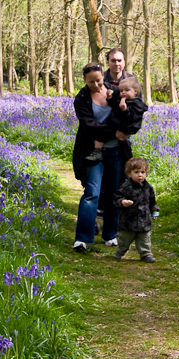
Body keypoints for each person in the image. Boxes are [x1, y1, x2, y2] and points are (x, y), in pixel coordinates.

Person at [72, 62, 133, 252]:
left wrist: (126, 131)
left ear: (103, 77)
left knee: (114, 192)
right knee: (92, 193)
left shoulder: (115, 92)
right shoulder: (81, 99)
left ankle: (110, 235)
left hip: (116, 152)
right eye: (91, 82)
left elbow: (130, 116)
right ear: (84, 81)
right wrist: (115, 132)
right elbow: (89, 125)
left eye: (98, 80)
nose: (96, 85)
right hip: (92, 153)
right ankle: (82, 238)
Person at [86, 76, 148, 162]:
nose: (123, 93)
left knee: (102, 133)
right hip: (118, 124)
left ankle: (97, 152)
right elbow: (115, 105)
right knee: (101, 133)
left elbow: (133, 118)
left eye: (127, 90)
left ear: (135, 91)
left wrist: (125, 110)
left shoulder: (137, 104)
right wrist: (110, 98)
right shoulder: (123, 101)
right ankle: (98, 151)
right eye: (121, 91)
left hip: (125, 126)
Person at [113, 157, 158, 263]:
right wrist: (123, 202)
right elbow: (116, 198)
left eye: (142, 172)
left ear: (146, 173)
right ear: (129, 174)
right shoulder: (125, 187)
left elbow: (152, 201)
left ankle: (146, 253)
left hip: (144, 220)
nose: (140, 175)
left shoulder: (148, 188)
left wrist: (154, 211)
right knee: (125, 238)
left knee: (145, 239)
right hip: (128, 220)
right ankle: (121, 251)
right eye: (136, 172)